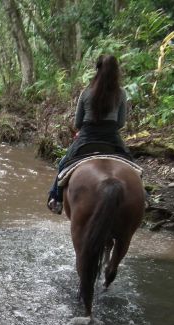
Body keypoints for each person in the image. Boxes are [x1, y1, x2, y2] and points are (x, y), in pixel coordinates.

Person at [47, 54, 130, 214]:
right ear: (116, 72)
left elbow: (78, 123)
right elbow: (121, 123)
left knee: (63, 163)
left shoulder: (86, 93)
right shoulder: (121, 93)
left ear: (97, 70)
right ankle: (145, 197)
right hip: (112, 138)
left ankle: (56, 199)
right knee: (133, 165)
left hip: (87, 137)